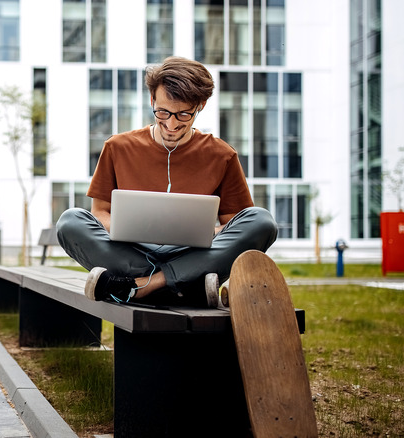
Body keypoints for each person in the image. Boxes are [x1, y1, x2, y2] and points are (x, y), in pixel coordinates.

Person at [56, 56, 278, 308]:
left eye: (184, 114)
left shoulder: (222, 155)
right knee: (70, 221)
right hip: (133, 251)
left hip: (194, 252)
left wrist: (200, 232)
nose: (171, 124)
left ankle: (142, 287)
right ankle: (188, 285)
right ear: (152, 100)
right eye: (163, 112)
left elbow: (232, 225)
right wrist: (129, 229)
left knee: (261, 221)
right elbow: (100, 213)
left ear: (200, 105)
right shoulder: (117, 147)